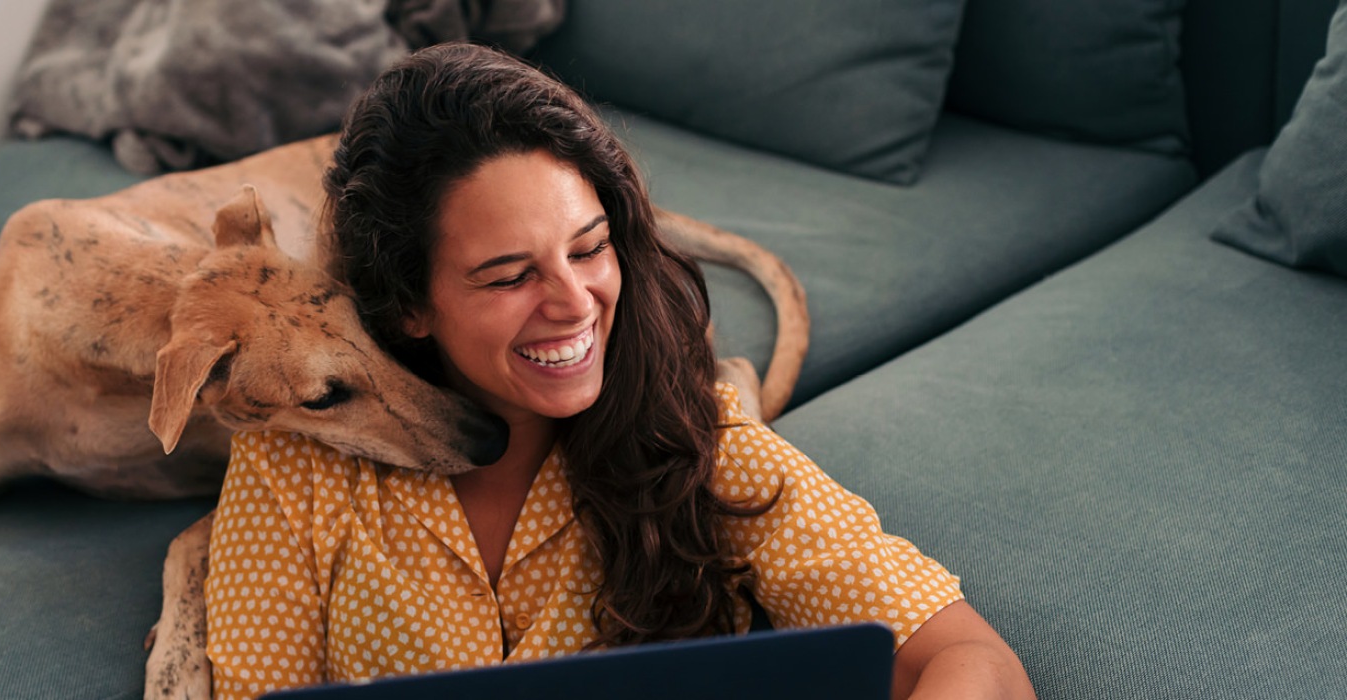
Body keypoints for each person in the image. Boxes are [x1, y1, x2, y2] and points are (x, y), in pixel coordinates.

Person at [202, 42, 1036, 700]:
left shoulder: (696, 439)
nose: (576, 303)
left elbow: (973, 662)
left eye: (590, 249)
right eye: (509, 275)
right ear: (410, 306)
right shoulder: (297, 465)